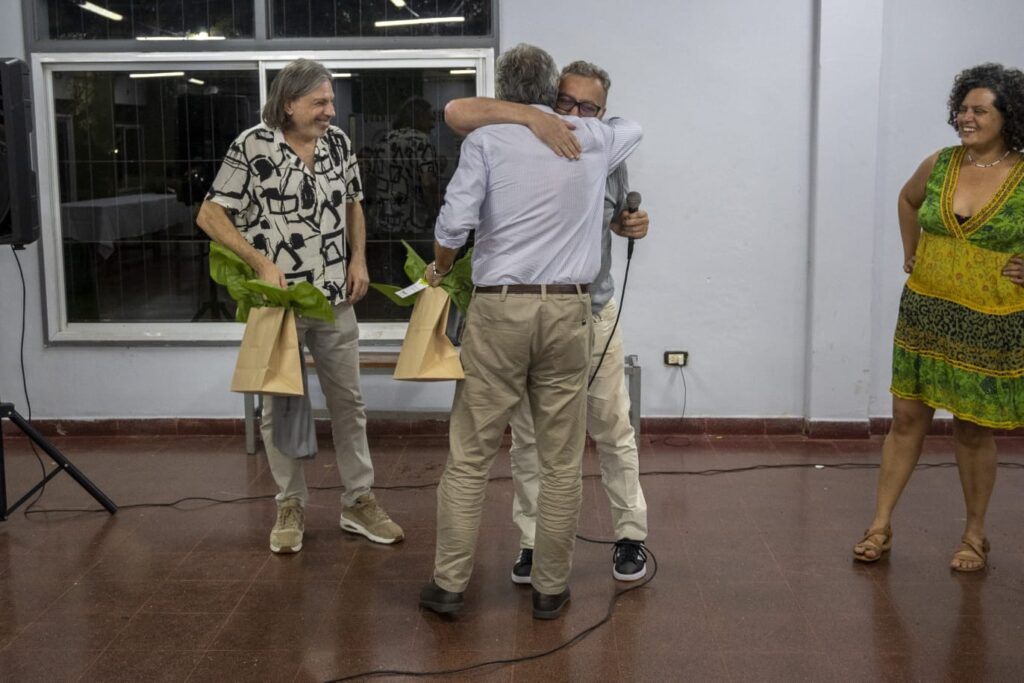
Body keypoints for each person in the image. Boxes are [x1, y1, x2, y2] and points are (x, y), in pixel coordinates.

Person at [417, 44, 642, 619]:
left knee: (471, 455)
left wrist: (440, 267)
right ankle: (550, 589)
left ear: (500, 90)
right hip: (568, 313)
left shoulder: (486, 141)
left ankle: (448, 586)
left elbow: (455, 223)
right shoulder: (593, 140)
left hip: (498, 312)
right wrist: (551, 119)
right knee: (562, 459)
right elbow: (633, 127)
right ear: (549, 94)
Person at [197, 58, 403, 554]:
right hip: (279, 304)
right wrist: (258, 262)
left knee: (349, 403)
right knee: (282, 408)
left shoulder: (339, 145)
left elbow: (354, 202)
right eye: (320, 102)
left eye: (331, 101)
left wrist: (359, 259)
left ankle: (359, 501)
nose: (330, 110)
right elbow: (209, 213)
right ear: (289, 103)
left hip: (335, 298)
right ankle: (290, 503)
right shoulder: (251, 146)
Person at [853, 63, 1024, 572]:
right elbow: (909, 200)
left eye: (979, 110)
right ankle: (879, 526)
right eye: (962, 109)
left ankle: (974, 536)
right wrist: (912, 251)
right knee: (907, 418)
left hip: (989, 318)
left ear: (1008, 116)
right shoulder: (941, 163)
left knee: (971, 429)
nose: (965, 118)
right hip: (926, 309)